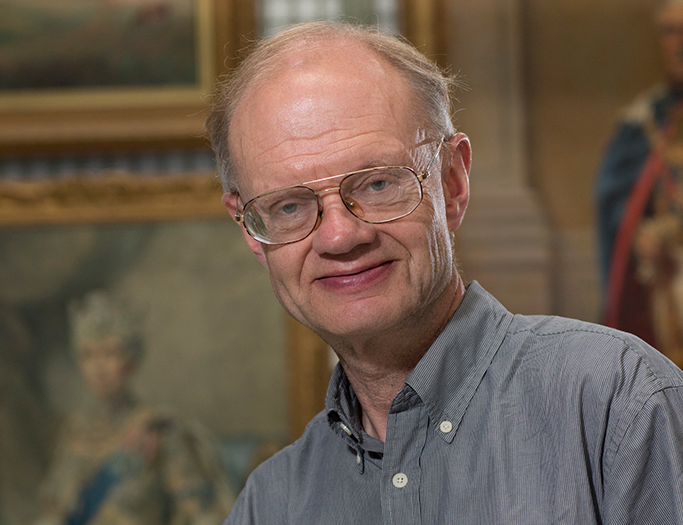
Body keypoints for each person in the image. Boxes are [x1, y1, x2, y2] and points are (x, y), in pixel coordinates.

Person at [207, 21, 683, 524]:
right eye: (289, 207)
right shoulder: (269, 505)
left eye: (376, 184)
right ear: (250, 230)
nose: (341, 237)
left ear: (453, 181)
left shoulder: (619, 402)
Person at [35, 291, 234, 525]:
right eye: (88, 355)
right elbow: (53, 512)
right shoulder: (73, 433)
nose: (99, 368)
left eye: (109, 353)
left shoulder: (160, 431)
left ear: (130, 361)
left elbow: (200, 513)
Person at [596, 0, 683, 368]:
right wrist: (640, 237)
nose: (680, 43)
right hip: (667, 299)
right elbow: (619, 210)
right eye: (671, 31)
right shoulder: (644, 122)